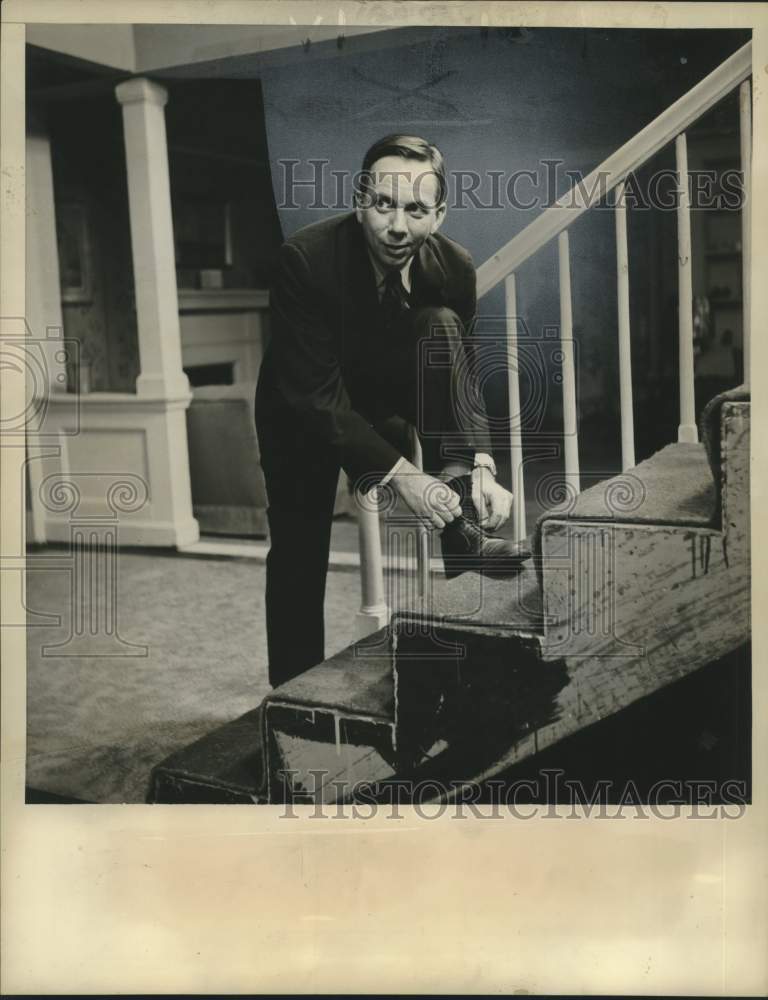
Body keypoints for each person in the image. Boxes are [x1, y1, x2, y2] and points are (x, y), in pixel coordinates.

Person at [255, 134, 525, 688]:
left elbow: (458, 365)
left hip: (382, 399)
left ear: (439, 214)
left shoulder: (454, 267)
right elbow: (318, 399)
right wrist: (404, 477)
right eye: (384, 204)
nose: (398, 226)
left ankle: (462, 535)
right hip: (302, 410)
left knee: (441, 325)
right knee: (299, 554)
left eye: (416, 210)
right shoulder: (305, 260)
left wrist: (480, 463)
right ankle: (291, 697)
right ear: (360, 201)